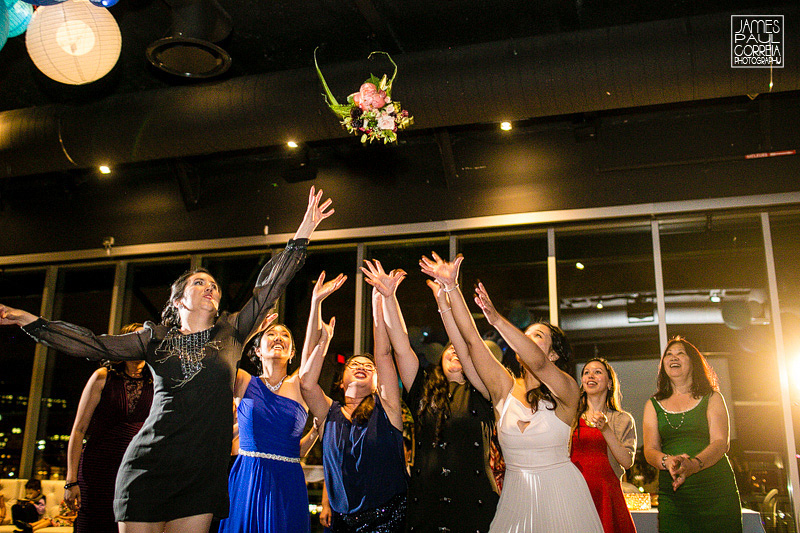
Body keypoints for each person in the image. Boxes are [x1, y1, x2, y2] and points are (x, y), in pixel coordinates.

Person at [0, 186, 333, 533]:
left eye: (215, 286)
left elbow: (272, 285)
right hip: (150, 464)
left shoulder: (231, 333)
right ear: (178, 301)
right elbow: (94, 344)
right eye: (200, 282)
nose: (211, 288)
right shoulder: (153, 338)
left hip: (203, 473)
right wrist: (29, 321)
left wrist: (304, 230)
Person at [420, 252, 602, 532]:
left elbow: (538, 363)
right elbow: (470, 340)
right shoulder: (503, 388)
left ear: (554, 355)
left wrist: (496, 320)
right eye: (524, 336)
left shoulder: (566, 390)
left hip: (562, 498)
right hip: (516, 500)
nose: (524, 342)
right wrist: (452, 288)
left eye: (536, 337)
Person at [366, 259, 499, 532]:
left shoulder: (483, 390)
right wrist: (389, 299)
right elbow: (401, 347)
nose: (454, 351)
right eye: (449, 349)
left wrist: (447, 298)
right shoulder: (423, 387)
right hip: (428, 498)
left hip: (473, 500)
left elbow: (466, 342)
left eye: (458, 350)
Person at [299, 265, 408, 532]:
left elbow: (383, 354)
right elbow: (306, 381)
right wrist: (323, 339)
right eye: (354, 364)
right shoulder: (328, 413)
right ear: (341, 380)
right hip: (342, 523)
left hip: (389, 519)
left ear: (376, 382)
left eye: (368, 367)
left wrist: (378, 305)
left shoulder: (388, 408)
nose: (362, 365)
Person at [218, 313, 334, 533]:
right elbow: (223, 356)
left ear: (292, 354)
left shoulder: (300, 385)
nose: (278, 337)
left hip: (287, 479)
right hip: (248, 476)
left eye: (285, 335)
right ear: (258, 351)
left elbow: (311, 354)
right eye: (270, 334)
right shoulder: (243, 381)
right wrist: (251, 330)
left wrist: (316, 304)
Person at [643, 337, 741, 533]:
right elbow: (650, 449)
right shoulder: (653, 404)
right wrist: (668, 461)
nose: (673, 357)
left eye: (680, 353)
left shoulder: (712, 397)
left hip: (715, 490)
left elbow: (721, 442)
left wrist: (693, 465)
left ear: (693, 362)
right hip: (674, 494)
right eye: (669, 354)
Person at [64, 323, 154, 533]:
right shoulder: (103, 377)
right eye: (135, 340)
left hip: (136, 471)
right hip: (98, 470)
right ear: (123, 345)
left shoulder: (156, 382)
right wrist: (70, 481)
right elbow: (79, 430)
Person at [570, 358, 637, 533]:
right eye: (586, 372)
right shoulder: (570, 419)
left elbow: (627, 462)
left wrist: (605, 428)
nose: (591, 375)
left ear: (609, 383)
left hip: (607, 495)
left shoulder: (623, 420)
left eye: (597, 372)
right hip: (576, 494)